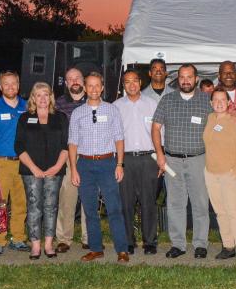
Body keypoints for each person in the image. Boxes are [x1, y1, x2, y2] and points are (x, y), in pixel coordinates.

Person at [152, 63, 213, 258]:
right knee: (175, 203)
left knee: (200, 203)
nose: (185, 81)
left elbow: (218, 125)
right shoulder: (167, 100)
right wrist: (160, 155)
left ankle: (201, 244)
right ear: (177, 79)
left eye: (189, 77)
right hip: (172, 160)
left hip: (198, 160)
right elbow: (155, 128)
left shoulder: (206, 101)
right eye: (182, 77)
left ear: (196, 79)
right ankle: (178, 244)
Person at [68, 72, 130, 263]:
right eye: (90, 86)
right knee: (89, 209)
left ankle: (122, 249)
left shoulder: (112, 110)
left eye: (97, 86)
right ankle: (96, 248)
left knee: (114, 208)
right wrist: (74, 169)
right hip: (85, 164)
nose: (94, 89)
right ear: (85, 88)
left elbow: (119, 138)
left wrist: (119, 164)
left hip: (107, 163)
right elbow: (72, 143)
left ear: (102, 88)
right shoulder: (78, 113)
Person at [14, 82, 69, 260]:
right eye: (39, 95)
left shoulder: (60, 117)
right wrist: (34, 168)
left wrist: (56, 167)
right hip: (31, 170)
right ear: (33, 98)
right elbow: (19, 146)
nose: (43, 98)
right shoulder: (24, 118)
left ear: (51, 97)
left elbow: (66, 145)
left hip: (55, 170)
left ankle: (48, 244)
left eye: (46, 94)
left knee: (51, 207)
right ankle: (35, 245)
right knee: (34, 207)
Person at [202, 87, 236, 265]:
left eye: (223, 100)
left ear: (229, 102)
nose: (219, 103)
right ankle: (228, 246)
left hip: (230, 174)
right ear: (211, 103)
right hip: (211, 173)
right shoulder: (210, 118)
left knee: (234, 212)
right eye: (215, 100)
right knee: (220, 212)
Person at [0, 71, 29, 255]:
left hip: (23, 163)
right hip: (0, 163)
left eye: (14, 83)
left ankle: (17, 238)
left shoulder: (26, 106)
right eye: (6, 84)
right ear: (0, 86)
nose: (11, 87)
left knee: (21, 202)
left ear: (18, 85)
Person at [114, 70, 159, 254]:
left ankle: (150, 242)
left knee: (148, 201)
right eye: (127, 82)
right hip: (125, 159)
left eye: (134, 81)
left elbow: (160, 133)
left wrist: (160, 156)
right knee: (126, 202)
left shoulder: (152, 104)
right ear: (123, 85)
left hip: (149, 158)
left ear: (140, 82)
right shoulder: (116, 106)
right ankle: (128, 242)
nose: (131, 85)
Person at [54, 67, 89, 253]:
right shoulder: (58, 104)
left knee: (88, 198)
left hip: (90, 156)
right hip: (68, 157)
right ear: (66, 83)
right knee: (67, 199)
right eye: (70, 79)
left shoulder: (93, 101)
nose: (74, 81)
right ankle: (64, 239)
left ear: (83, 81)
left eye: (77, 77)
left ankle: (88, 237)